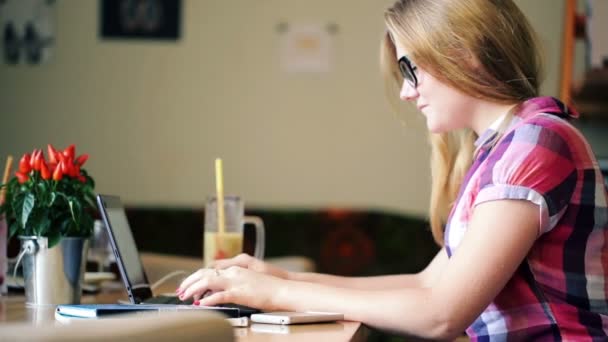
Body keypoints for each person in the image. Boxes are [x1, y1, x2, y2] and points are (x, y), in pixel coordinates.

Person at [177, 0, 608, 340]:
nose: (405, 92)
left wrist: (276, 294)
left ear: (465, 53)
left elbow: (440, 316)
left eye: (410, 69)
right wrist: (282, 277)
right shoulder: (503, 150)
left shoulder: (537, 142)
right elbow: (426, 285)